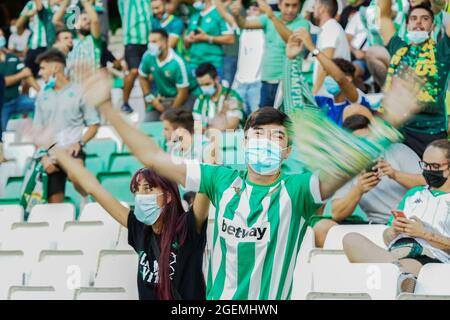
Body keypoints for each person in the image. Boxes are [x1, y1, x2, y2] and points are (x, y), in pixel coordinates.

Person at [77, 66, 421, 299]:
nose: (266, 142)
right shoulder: (219, 179)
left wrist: (386, 121)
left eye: (276, 138)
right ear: (244, 140)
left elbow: (344, 166)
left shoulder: (297, 189)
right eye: (258, 134)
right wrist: (107, 107)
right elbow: (152, 157)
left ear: (286, 151)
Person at [52, 149, 208, 300]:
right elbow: (93, 188)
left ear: (168, 196)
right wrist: (57, 151)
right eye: (137, 191)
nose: (140, 197)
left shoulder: (188, 227)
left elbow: (206, 185)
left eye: (148, 189)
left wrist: (210, 154)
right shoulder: (139, 229)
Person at [343, 139, 450, 293]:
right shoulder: (413, 194)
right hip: (396, 252)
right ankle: (400, 276)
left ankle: (399, 276)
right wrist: (394, 230)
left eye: (434, 166)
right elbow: (387, 237)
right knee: (351, 239)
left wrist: (423, 233)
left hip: (429, 258)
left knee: (392, 272)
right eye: (424, 165)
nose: (428, 170)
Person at [313, 114, 425, 247]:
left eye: (369, 140)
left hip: (410, 222)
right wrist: (359, 189)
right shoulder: (345, 168)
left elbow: (430, 184)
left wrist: (395, 174)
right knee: (322, 227)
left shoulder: (398, 150)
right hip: (376, 226)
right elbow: (336, 213)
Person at [378, 2, 450, 157]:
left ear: (432, 26)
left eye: (425, 19)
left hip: (431, 134)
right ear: (407, 25)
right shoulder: (398, 49)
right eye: (414, 18)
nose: (418, 22)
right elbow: (384, 17)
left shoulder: (442, 51)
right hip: (398, 131)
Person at [33, 48, 100, 203]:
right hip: (50, 154)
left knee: (76, 176)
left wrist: (80, 143)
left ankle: (87, 201)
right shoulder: (42, 96)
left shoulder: (79, 91)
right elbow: (38, 131)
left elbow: (94, 125)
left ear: (55, 68)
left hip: (73, 151)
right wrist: (43, 157)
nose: (40, 73)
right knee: (54, 206)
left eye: (43, 68)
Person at [231, 0, 310, 107]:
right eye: (287, 5)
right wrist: (236, 15)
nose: (290, 10)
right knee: (264, 120)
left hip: (289, 81)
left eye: (294, 6)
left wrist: (273, 17)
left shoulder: (303, 23)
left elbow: (292, 42)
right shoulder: (270, 17)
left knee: (285, 121)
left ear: (299, 6)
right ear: (279, 5)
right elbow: (245, 24)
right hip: (267, 79)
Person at [288, 28, 372, 125]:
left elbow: (340, 79)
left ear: (348, 78)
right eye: (326, 75)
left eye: (330, 74)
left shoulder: (357, 99)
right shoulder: (324, 102)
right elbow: (296, 93)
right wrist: (291, 58)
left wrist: (312, 48)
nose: (327, 79)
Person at [139, 29, 197, 121]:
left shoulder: (178, 63)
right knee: (147, 123)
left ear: (165, 42)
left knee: (179, 123)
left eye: (154, 42)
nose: (150, 45)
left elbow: (182, 94)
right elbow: (142, 77)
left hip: (185, 97)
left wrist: (168, 114)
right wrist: (151, 99)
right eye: (149, 42)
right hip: (163, 98)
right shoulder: (148, 56)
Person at [55, 0, 102, 83]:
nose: (88, 21)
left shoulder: (94, 40)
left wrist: (84, 2)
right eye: (84, 19)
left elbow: (95, 21)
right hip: (74, 88)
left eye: (89, 20)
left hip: (91, 87)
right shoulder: (70, 40)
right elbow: (56, 20)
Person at [117, 0, 151, 114]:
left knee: (146, 75)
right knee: (134, 71)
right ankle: (125, 103)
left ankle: (148, 106)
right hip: (132, 40)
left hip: (149, 40)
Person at [184, 0, 235, 75]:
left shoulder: (219, 14)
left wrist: (207, 38)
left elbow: (231, 39)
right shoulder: (194, 16)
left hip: (213, 64)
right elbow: (186, 46)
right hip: (194, 64)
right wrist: (189, 39)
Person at [312, 0, 351, 95]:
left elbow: (325, 63)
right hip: (332, 93)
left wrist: (314, 92)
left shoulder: (330, 28)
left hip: (331, 95)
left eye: (316, 4)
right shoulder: (330, 27)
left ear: (322, 8)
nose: (313, 7)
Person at [232, 4, 265, 115]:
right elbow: (225, 14)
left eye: (256, 7)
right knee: (234, 119)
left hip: (257, 83)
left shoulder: (267, 27)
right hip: (239, 83)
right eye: (250, 7)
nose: (252, 9)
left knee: (257, 121)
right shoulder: (242, 27)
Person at [193, 62, 245, 130]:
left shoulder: (232, 97)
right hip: (209, 138)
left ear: (217, 79)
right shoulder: (200, 100)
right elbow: (198, 128)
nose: (204, 88)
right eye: (201, 85)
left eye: (207, 84)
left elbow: (232, 125)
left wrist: (209, 129)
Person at [0, 45, 38, 131]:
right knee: (2, 132)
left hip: (17, 99)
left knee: (40, 104)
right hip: (2, 105)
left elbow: (27, 75)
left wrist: (41, 91)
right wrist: (21, 75)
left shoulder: (12, 57)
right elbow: (3, 82)